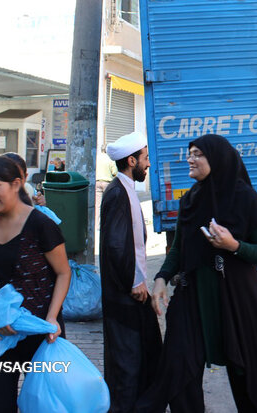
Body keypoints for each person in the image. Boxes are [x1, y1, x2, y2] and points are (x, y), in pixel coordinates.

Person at [136, 135, 257, 413]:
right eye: (189, 153)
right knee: (179, 366)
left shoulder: (245, 198)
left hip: (236, 297)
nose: (190, 159)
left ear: (217, 159)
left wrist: (233, 245)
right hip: (193, 294)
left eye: (198, 154)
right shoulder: (191, 199)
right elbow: (180, 248)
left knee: (247, 371)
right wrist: (162, 277)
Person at [0, 156, 71, 412]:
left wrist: (52, 318)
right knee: (0, 404)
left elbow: (63, 273)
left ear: (16, 184)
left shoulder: (41, 224)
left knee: (44, 404)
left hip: (40, 332)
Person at [100, 131, 162, 412]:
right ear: (131, 160)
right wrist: (134, 282)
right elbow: (115, 245)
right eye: (145, 159)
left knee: (142, 359)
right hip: (124, 296)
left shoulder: (124, 188)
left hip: (131, 292)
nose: (148, 164)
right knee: (126, 367)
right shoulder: (116, 193)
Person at [0, 153, 46, 229]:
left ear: (25, 177)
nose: (15, 183)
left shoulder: (28, 189)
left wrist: (41, 202)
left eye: (18, 177)